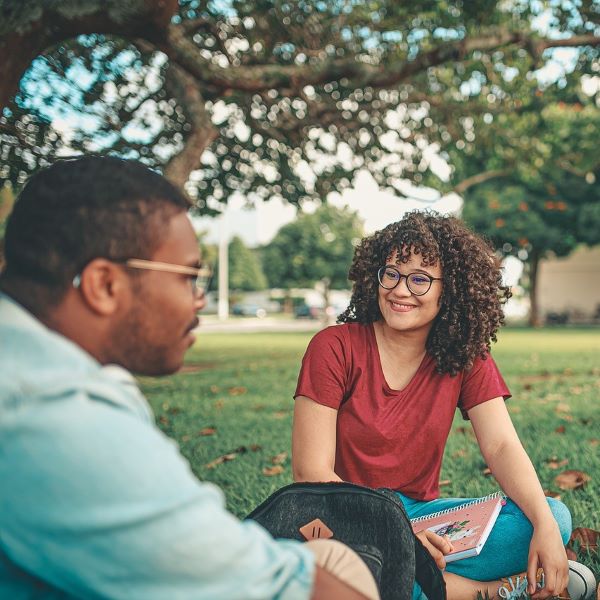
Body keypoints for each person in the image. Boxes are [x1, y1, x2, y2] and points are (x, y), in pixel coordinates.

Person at [0, 156, 380, 600]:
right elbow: (287, 589)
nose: (199, 299)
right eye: (188, 277)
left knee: (332, 558)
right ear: (104, 285)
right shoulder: (55, 417)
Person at [292, 212, 596, 600]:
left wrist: (545, 528)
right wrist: (400, 537)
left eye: (420, 279)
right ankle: (494, 591)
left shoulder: (465, 355)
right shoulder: (333, 347)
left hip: (423, 518)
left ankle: (406, 580)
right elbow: (311, 473)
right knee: (346, 568)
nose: (400, 290)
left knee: (552, 516)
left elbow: (501, 446)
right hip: (344, 518)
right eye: (392, 273)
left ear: (449, 289)